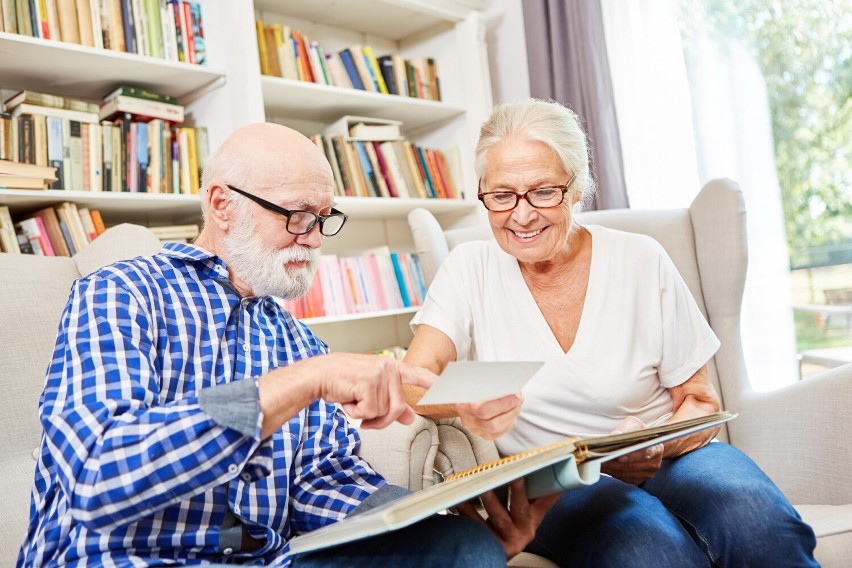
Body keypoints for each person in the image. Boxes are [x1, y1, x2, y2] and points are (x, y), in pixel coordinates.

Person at [17, 123, 510, 567]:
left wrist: (430, 524)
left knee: (465, 549)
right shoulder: (122, 292)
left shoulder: (296, 339)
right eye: (297, 215)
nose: (314, 240)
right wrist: (297, 384)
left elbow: (324, 482)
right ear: (221, 204)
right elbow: (96, 476)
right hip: (123, 559)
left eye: (323, 218)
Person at [403, 99, 819, 567]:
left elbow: (701, 399)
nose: (521, 216)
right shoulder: (468, 269)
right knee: (646, 548)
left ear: (577, 189)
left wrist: (654, 442)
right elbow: (412, 380)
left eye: (543, 191)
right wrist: (466, 402)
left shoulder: (641, 259)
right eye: (501, 195)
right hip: (557, 481)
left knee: (756, 518)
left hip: (670, 454)